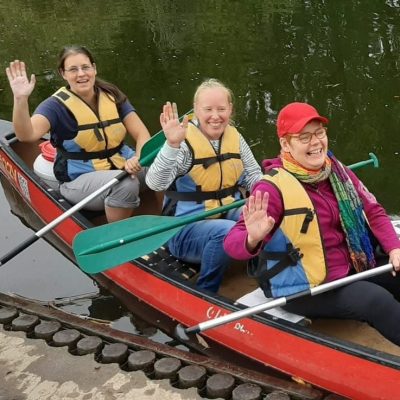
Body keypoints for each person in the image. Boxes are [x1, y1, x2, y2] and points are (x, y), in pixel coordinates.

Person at [223, 101, 400, 345]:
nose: (316, 142)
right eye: (304, 137)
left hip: (351, 265)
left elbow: (374, 211)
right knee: (375, 301)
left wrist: (394, 248)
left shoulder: (338, 172)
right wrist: (252, 237)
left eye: (319, 133)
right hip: (306, 287)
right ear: (286, 144)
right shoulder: (271, 189)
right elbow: (232, 243)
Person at [5, 45, 151, 223]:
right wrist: (20, 99)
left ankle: (167, 217)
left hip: (124, 165)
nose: (81, 74)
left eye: (85, 67)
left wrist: (138, 157)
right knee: (125, 184)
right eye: (73, 69)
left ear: (94, 69)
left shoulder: (111, 94)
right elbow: (26, 136)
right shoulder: (55, 107)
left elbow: (142, 134)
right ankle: (117, 237)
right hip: (79, 181)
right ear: (63, 74)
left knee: (166, 162)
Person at [145, 78, 263, 293]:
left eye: (221, 109)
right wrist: (171, 145)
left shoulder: (235, 137)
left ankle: (265, 272)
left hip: (227, 213)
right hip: (184, 230)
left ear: (230, 109)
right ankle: (206, 291)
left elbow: (254, 176)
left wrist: (269, 197)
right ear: (196, 111)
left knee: (264, 216)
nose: (215, 116)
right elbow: (155, 183)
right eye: (208, 109)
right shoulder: (183, 142)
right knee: (226, 232)